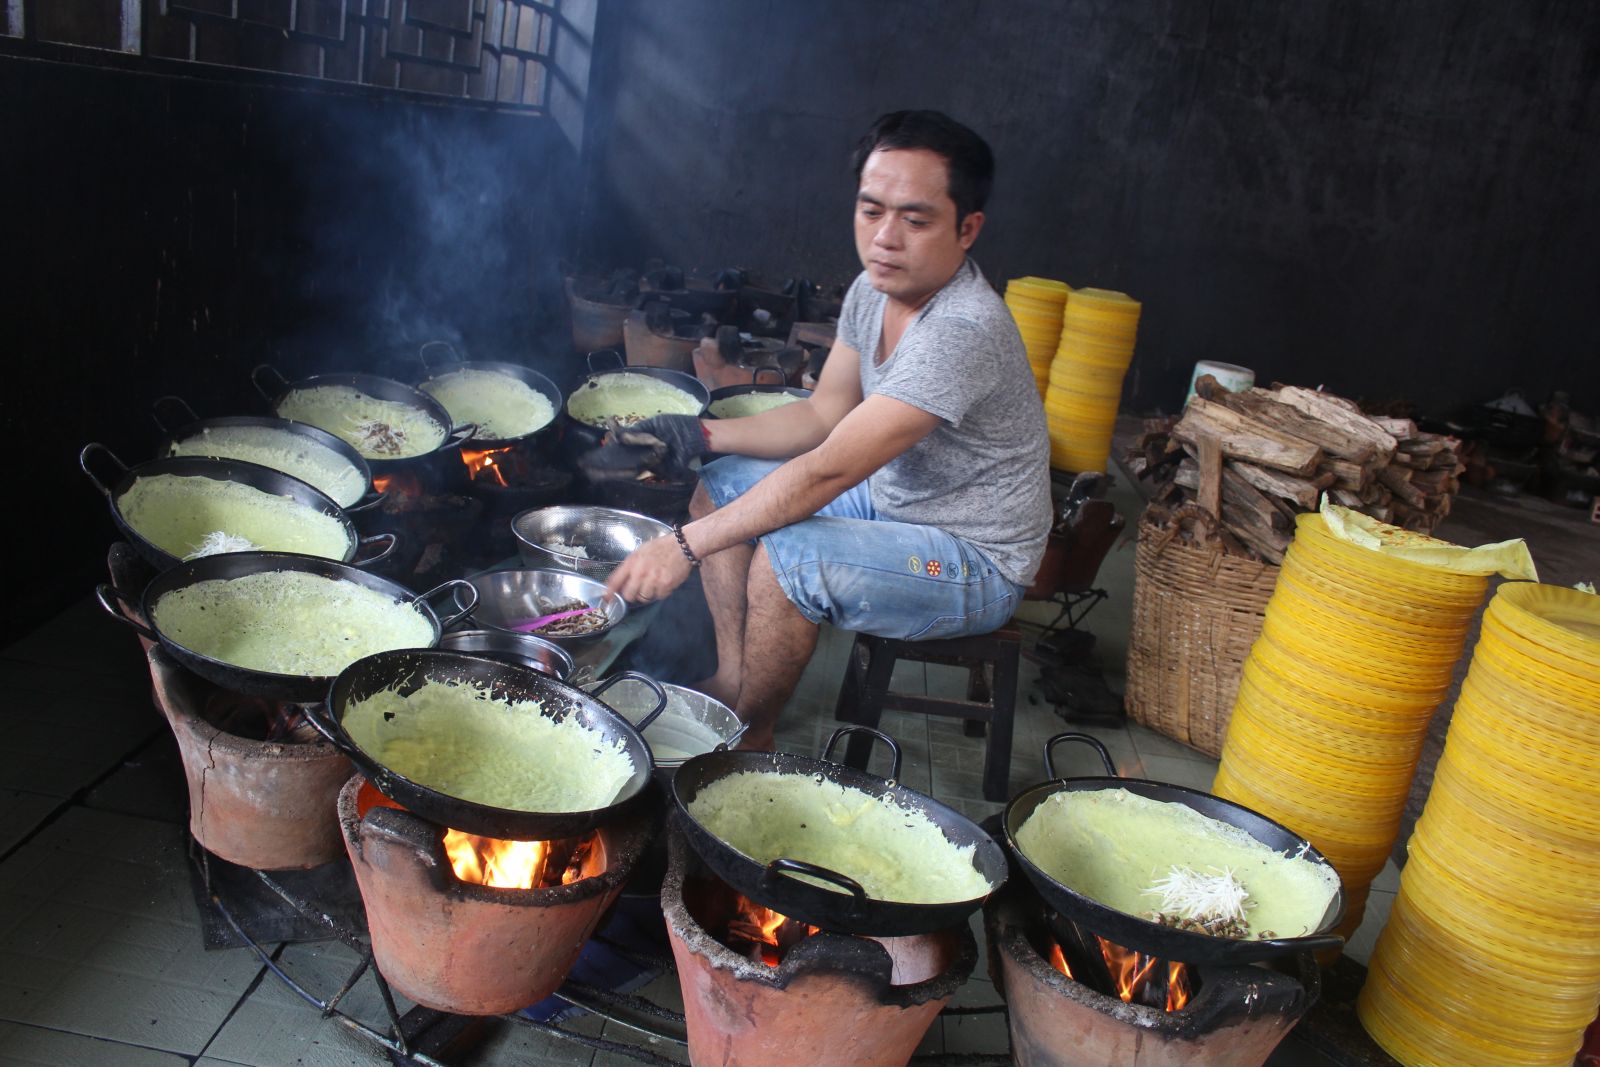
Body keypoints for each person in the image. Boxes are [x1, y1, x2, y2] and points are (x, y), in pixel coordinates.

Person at [600, 110, 1051, 751]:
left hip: (975, 554)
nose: (885, 238)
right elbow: (822, 415)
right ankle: (732, 683)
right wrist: (700, 437)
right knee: (723, 486)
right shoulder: (874, 289)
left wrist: (682, 546)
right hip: (898, 503)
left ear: (968, 227)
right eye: (871, 211)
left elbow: (830, 467)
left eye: (915, 219)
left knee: (792, 561)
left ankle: (751, 732)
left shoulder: (962, 330)